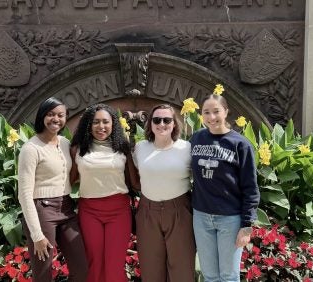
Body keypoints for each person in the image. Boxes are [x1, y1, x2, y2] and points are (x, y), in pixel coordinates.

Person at [190, 94, 260, 282]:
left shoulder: (240, 144)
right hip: (201, 216)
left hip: (229, 219)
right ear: (201, 115)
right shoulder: (196, 139)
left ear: (226, 112)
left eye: (216, 111)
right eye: (206, 112)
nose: (211, 117)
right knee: (210, 275)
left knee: (229, 276)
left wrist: (246, 226)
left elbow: (250, 187)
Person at [18, 97, 88, 282]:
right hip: (42, 211)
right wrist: (36, 235)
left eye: (60, 115)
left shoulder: (65, 143)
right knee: (43, 274)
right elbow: (24, 194)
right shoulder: (30, 149)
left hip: (66, 208)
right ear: (42, 116)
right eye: (50, 114)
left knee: (82, 269)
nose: (55, 119)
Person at [70, 103, 138, 282]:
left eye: (105, 122)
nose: (101, 127)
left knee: (114, 264)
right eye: (96, 122)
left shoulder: (122, 148)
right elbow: (67, 182)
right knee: (95, 263)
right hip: (89, 211)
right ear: (88, 125)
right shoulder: (77, 150)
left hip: (118, 211)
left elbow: (135, 182)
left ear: (113, 124)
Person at [133, 104, 196, 282]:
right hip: (147, 212)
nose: (162, 124)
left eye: (167, 120)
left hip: (179, 212)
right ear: (150, 124)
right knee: (150, 269)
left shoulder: (186, 148)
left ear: (174, 124)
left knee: (182, 270)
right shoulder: (140, 148)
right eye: (156, 120)